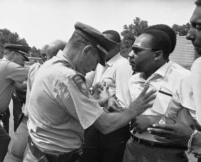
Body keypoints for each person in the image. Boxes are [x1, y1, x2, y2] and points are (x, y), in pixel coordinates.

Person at [23, 22, 156, 162]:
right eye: (97, 60)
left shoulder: (51, 65)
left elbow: (65, 105)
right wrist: (134, 109)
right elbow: (105, 125)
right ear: (86, 50)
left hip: (39, 153)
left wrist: (99, 101)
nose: (94, 68)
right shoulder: (68, 77)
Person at [122, 28, 192, 162]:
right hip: (132, 148)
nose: (130, 55)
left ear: (157, 55)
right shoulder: (133, 79)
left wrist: (155, 122)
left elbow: (194, 123)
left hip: (166, 154)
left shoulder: (184, 79)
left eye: (137, 51)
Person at [148, 0, 201, 160]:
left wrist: (194, 139)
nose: (189, 35)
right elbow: (170, 116)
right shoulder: (198, 68)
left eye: (199, 26)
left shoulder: (182, 74)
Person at [4, 40, 66, 162]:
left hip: (27, 120)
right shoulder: (60, 74)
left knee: (14, 156)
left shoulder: (35, 69)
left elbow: (21, 84)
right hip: (45, 128)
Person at [80, 30, 133, 162]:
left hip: (113, 126)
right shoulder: (100, 64)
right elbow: (95, 90)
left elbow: (124, 102)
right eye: (99, 45)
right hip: (97, 119)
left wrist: (109, 100)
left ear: (117, 46)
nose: (101, 48)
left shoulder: (123, 65)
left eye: (105, 45)